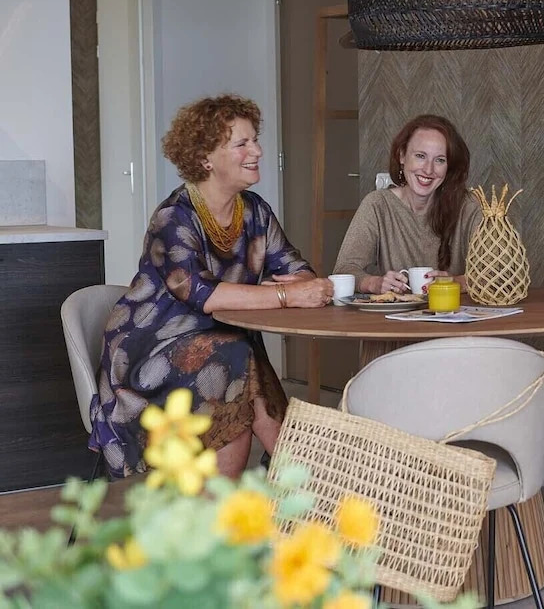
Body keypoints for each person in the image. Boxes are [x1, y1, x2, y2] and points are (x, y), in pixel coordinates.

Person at [89, 94, 333, 479]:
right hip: (150, 353)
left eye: (255, 140)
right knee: (237, 357)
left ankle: (291, 479)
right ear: (206, 158)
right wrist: (286, 294)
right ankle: (301, 477)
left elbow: (298, 270)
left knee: (237, 360)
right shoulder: (174, 218)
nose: (257, 151)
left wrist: (299, 285)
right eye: (242, 144)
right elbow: (202, 294)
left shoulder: (254, 211)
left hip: (223, 348)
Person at [334, 114, 482, 293]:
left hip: (454, 310)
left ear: (449, 167)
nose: (428, 169)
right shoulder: (377, 205)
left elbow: (502, 275)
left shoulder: (469, 207)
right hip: (395, 311)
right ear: (402, 155)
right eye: (420, 156)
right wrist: (374, 283)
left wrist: (456, 282)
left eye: (440, 160)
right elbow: (344, 270)